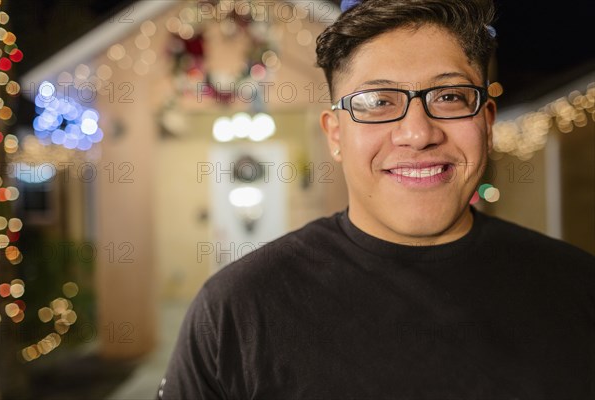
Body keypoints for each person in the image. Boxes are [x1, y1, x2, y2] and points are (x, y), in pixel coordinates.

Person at [159, 0, 595, 398]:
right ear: (335, 134)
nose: (418, 134)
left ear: (486, 121)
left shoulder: (578, 291)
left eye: (448, 96)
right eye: (378, 101)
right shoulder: (236, 312)